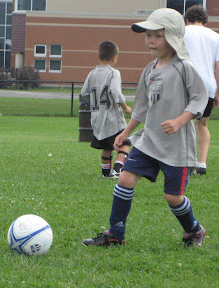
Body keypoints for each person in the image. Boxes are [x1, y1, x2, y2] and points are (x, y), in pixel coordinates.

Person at [83, 8, 208, 248]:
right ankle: (115, 234)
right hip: (148, 141)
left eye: (157, 35)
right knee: (125, 180)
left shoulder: (184, 68)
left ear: (172, 37)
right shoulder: (149, 70)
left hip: (176, 147)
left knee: (172, 196)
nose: (151, 40)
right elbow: (140, 108)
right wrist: (125, 133)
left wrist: (180, 120)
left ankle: (194, 230)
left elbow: (199, 98)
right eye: (148, 35)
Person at [184, 5, 219, 175]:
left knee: (181, 121)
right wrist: (216, 92)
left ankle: (183, 160)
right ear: (205, 20)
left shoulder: (182, 32)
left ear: (187, 19)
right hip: (207, 86)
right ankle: (201, 163)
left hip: (185, 82)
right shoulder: (216, 37)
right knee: (202, 124)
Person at [80, 41, 132, 179]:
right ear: (115, 57)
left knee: (107, 147)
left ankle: (105, 173)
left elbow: (84, 92)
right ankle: (117, 169)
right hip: (112, 118)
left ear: (99, 55)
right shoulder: (114, 73)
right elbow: (115, 91)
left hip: (97, 118)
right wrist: (126, 107)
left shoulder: (92, 73)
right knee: (125, 143)